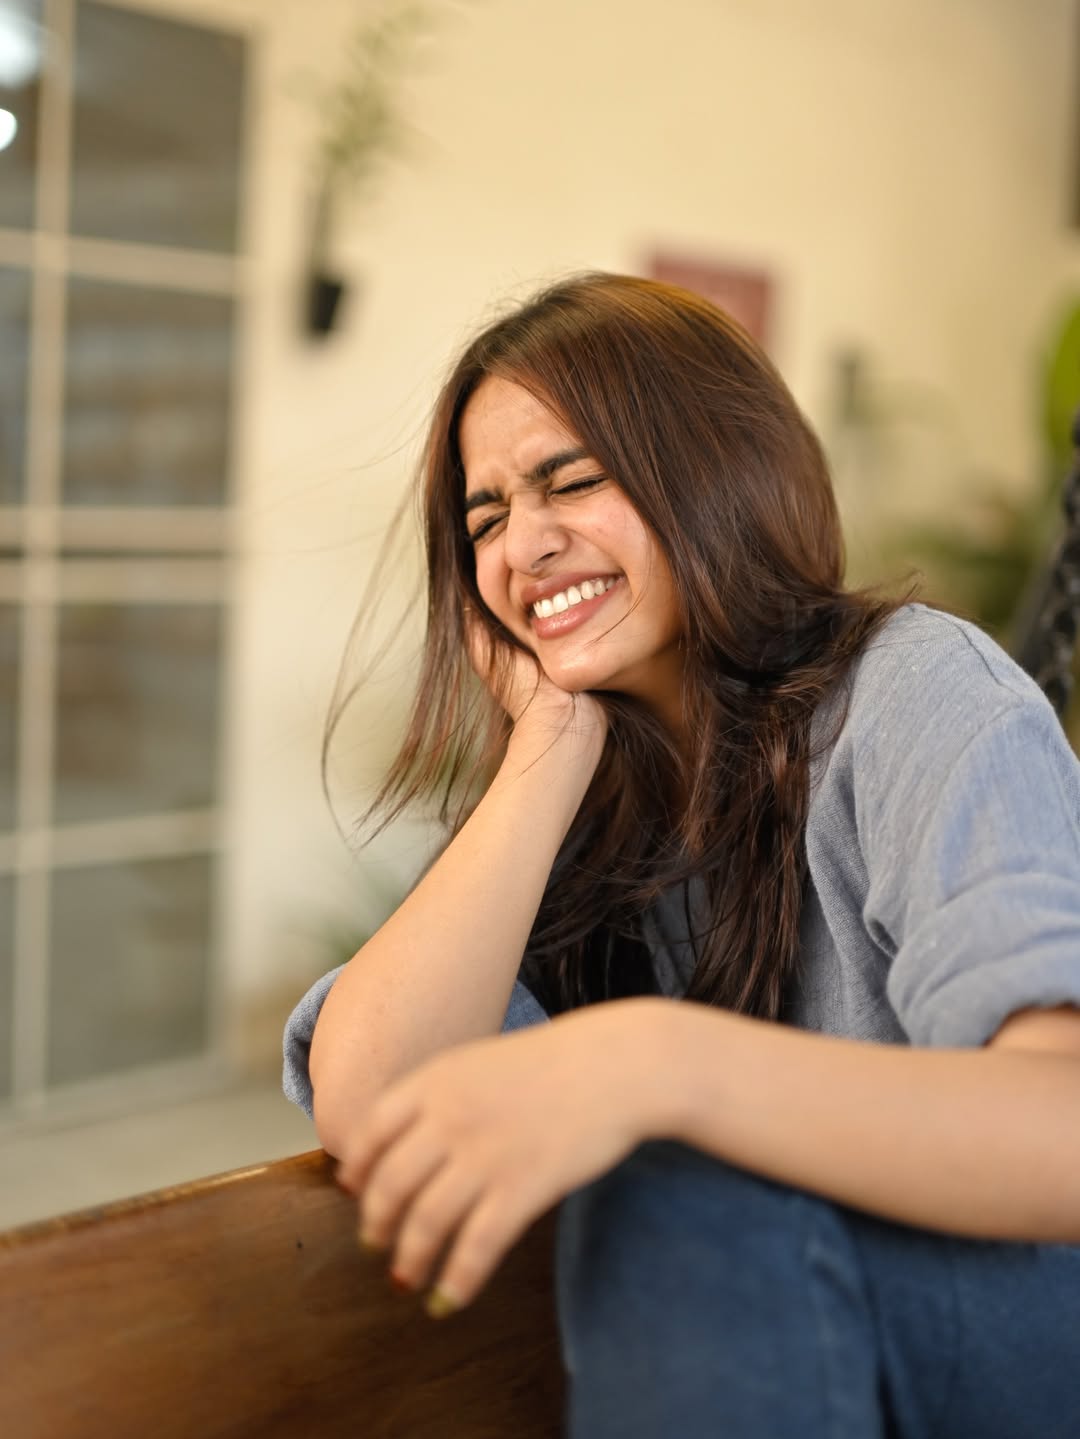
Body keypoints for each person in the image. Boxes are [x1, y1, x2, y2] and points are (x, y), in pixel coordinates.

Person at [284, 272, 1080, 1438]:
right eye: (487, 516)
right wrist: (548, 746)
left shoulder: (915, 689)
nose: (525, 544)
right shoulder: (574, 789)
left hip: (1003, 1333)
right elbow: (376, 1097)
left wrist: (660, 1064)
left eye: (571, 480)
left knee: (673, 1174)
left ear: (713, 470)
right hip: (760, 1355)